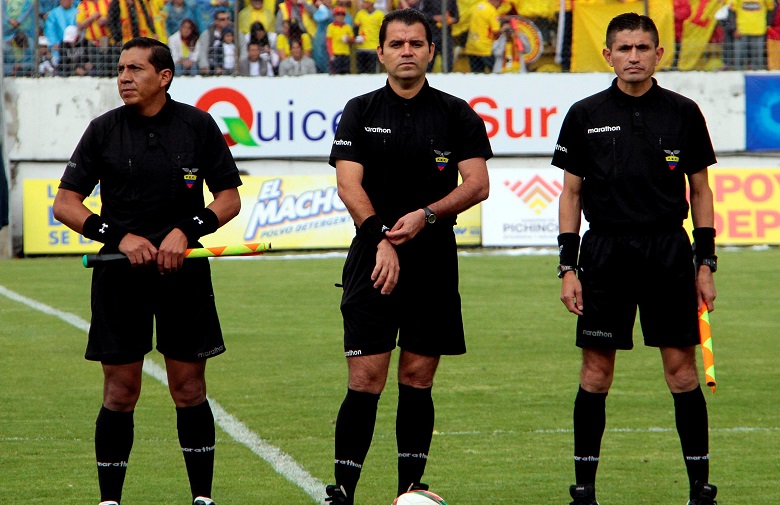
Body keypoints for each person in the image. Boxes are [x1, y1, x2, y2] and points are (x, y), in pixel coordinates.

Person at [52, 36, 242, 505]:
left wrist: (186, 230)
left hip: (185, 274)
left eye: (135, 69)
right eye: (120, 70)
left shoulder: (198, 126)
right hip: (120, 275)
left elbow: (229, 198)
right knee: (120, 391)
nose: (123, 77)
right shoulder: (103, 129)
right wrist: (117, 236)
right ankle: (109, 501)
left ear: (164, 77)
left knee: (189, 387)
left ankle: (202, 499)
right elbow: (64, 204)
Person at [325, 8, 491, 505]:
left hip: (433, 257)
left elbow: (477, 184)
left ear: (430, 51)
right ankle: (343, 490)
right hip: (371, 256)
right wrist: (380, 237)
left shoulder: (456, 112)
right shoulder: (360, 109)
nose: (406, 52)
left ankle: (409, 492)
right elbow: (347, 184)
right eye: (396, 44)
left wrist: (426, 216)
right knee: (366, 377)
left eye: (415, 44)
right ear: (380, 53)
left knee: (417, 377)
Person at [551, 13, 719, 505]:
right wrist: (568, 266)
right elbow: (571, 194)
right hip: (605, 253)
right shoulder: (584, 113)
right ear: (608, 55)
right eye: (623, 48)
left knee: (681, 371)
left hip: (668, 252)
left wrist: (705, 262)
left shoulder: (683, 112)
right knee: (596, 372)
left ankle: (699, 489)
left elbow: (701, 190)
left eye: (643, 48)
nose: (633, 57)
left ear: (658, 54)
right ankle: (584, 489)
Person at [463, 0, 506, 73]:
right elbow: (496, 32)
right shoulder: (492, 11)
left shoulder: (477, 6)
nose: (500, 6)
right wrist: (504, 29)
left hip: (472, 46)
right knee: (494, 72)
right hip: (485, 48)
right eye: (500, 3)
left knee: (476, 73)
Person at [416, 0, 458, 72]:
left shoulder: (452, 1)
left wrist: (450, 20)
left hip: (446, 35)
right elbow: (420, 14)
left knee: (448, 64)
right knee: (428, 64)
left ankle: (447, 79)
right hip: (431, 34)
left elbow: (456, 17)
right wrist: (434, 18)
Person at [353, 0, 384, 73]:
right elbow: (356, 28)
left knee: (372, 71)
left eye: (365, 2)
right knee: (360, 71)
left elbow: (383, 30)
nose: (362, 4)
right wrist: (357, 37)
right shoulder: (360, 14)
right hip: (361, 47)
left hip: (373, 48)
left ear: (370, 3)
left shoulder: (379, 14)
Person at [326, 7, 353, 73]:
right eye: (338, 14)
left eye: (342, 15)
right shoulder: (331, 27)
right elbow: (329, 41)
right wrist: (331, 54)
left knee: (346, 73)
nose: (340, 17)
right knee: (336, 73)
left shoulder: (348, 27)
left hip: (345, 53)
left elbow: (352, 40)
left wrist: (348, 39)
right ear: (334, 16)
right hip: (336, 54)